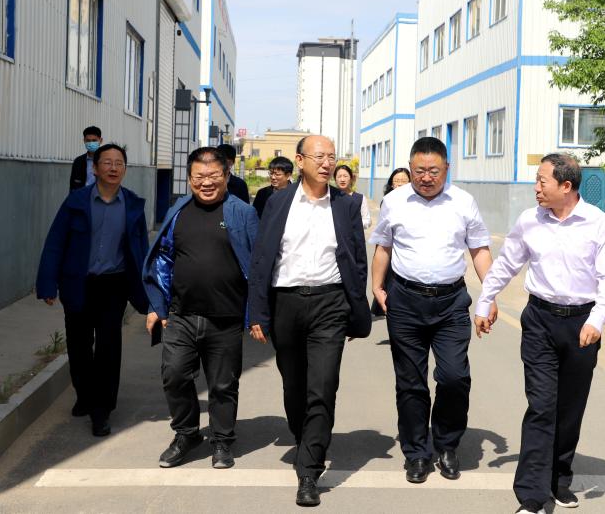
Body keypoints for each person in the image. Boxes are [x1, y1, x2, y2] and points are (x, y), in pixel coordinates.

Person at [474, 153, 605, 514]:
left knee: (569, 408)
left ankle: (559, 479)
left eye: (543, 181)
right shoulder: (530, 221)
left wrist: (597, 320)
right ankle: (532, 496)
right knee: (541, 406)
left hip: (582, 324)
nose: (536, 188)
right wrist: (485, 300)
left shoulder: (599, 225)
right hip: (539, 320)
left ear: (566, 186)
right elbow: (506, 263)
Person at [247, 135, 371, 507]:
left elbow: (357, 260)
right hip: (285, 302)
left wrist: (355, 310)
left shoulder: (346, 204)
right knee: (294, 386)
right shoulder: (278, 201)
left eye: (331, 156)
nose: (327, 163)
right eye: (319, 156)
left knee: (324, 384)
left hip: (330, 303)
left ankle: (308, 471)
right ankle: (305, 439)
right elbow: (262, 257)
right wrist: (257, 311)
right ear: (300, 161)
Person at [369, 137, 496, 484]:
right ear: (410, 168)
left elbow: (480, 250)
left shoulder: (463, 202)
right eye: (419, 170)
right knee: (410, 382)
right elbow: (383, 246)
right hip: (405, 301)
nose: (426, 177)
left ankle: (447, 444)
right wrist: (377, 286)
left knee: (455, 377)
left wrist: (489, 295)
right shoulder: (394, 201)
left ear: (447, 169)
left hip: (451, 302)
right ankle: (416, 452)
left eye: (434, 171)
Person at [142, 147, 258, 470]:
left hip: (226, 316)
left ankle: (221, 440)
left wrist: (257, 314)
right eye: (199, 177)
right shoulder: (178, 211)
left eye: (213, 176)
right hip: (181, 314)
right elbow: (163, 259)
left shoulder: (242, 213)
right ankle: (186, 433)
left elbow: (258, 265)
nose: (206, 182)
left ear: (226, 176)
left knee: (223, 384)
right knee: (174, 375)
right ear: (189, 178)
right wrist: (157, 305)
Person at [37, 144, 149, 436]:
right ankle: (84, 394)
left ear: (125, 169)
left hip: (114, 284)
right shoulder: (76, 202)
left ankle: (102, 410)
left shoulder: (133, 205)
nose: (113, 168)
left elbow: (141, 249)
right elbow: (56, 242)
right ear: (95, 168)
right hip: (78, 282)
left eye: (119, 163)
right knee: (79, 346)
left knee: (109, 347)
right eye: (107, 162)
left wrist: (148, 287)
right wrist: (48, 283)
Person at [370, 166, 412, 317]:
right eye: (396, 181)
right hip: (391, 248)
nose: (399, 184)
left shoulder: (415, 202)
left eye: (404, 181)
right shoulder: (387, 202)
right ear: (391, 184)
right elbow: (382, 232)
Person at [333, 163, 371, 228]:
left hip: (355, 234)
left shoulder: (360, 198)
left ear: (351, 178)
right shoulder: (331, 197)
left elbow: (367, 220)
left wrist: (353, 224)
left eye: (345, 176)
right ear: (335, 179)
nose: (342, 179)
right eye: (339, 176)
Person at [70, 125, 102, 190]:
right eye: (88, 140)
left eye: (94, 140)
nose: (91, 143)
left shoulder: (106, 160)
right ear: (84, 141)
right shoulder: (78, 161)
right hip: (82, 195)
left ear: (100, 140)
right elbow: (73, 186)